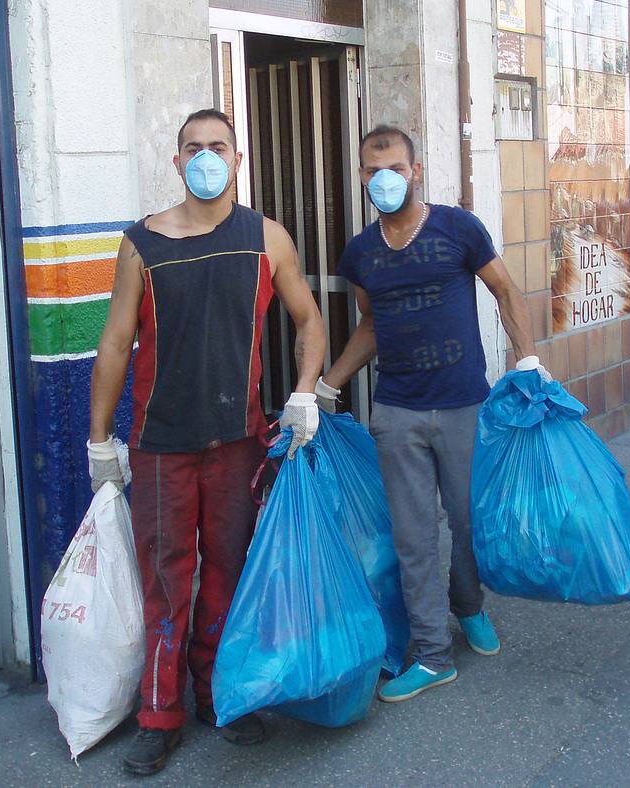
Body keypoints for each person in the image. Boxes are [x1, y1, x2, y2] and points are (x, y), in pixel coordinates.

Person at [87, 108, 325, 776]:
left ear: (238, 159)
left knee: (228, 571)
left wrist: (305, 391)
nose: (205, 157)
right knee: (166, 581)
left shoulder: (265, 238)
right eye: (192, 148)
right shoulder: (141, 244)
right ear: (176, 162)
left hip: (238, 441)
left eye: (217, 146)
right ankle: (158, 715)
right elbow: (113, 344)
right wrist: (98, 438)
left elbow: (309, 319)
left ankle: (221, 695)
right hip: (159, 443)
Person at [316, 125, 544, 702]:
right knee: (414, 536)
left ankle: (468, 605)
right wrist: (325, 385)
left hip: (465, 403)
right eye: (371, 169)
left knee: (468, 523)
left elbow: (506, 291)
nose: (382, 178)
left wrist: (529, 359)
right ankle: (433, 653)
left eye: (393, 166)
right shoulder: (361, 253)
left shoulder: (458, 227)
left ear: (414, 170)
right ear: (361, 176)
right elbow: (372, 324)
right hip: (397, 411)